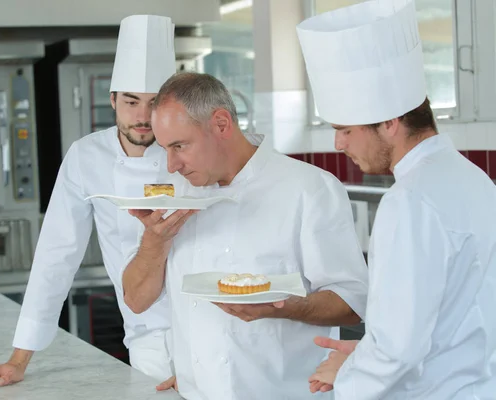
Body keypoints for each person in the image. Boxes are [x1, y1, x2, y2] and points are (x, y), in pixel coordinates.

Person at [0, 14, 178, 389]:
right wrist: (19, 358)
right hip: (147, 339)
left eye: (155, 103)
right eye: (131, 102)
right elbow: (57, 253)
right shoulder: (86, 156)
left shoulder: (192, 150)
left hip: (213, 332)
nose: (143, 117)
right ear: (112, 100)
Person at [122, 72, 369, 399]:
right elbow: (136, 301)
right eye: (166, 148)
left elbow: (353, 302)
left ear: (221, 124)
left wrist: (281, 308)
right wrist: (155, 241)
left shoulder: (309, 189)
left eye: (180, 146)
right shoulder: (175, 194)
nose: (171, 165)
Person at [297, 1, 496, 398]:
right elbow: (453, 318)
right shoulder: (474, 180)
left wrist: (346, 377)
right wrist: (361, 354)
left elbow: (397, 351)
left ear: (389, 122)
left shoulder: (409, 202)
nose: (338, 144)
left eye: (345, 130)